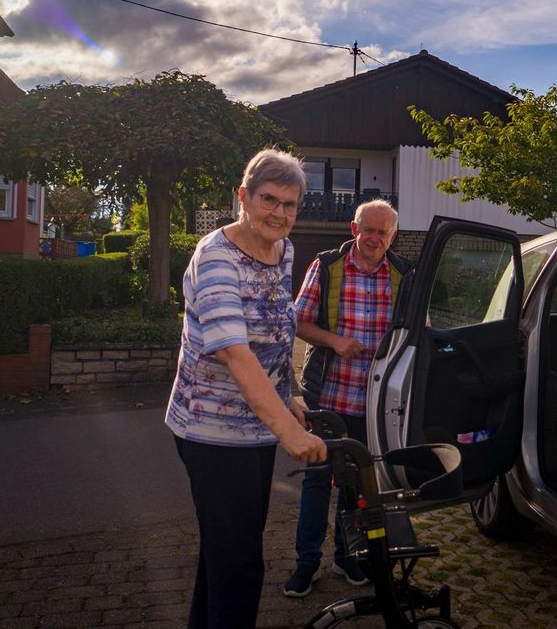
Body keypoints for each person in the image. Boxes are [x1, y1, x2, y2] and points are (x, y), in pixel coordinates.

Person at [166, 149, 327, 629]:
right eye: (269, 200)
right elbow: (236, 352)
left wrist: (290, 393)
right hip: (211, 432)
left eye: (290, 204)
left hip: (257, 427)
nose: (280, 213)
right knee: (239, 564)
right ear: (244, 197)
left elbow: (278, 332)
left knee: (225, 549)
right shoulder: (215, 257)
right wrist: (288, 432)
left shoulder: (284, 251)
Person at [283, 199, 413, 597]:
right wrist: (334, 340)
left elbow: (415, 332)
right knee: (318, 481)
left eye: (383, 232)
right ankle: (307, 564)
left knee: (355, 488)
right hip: (330, 396)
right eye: (369, 230)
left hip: (375, 403)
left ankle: (346, 558)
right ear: (354, 230)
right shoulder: (327, 266)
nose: (375, 238)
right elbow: (298, 322)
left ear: (392, 236)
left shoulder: (404, 274)